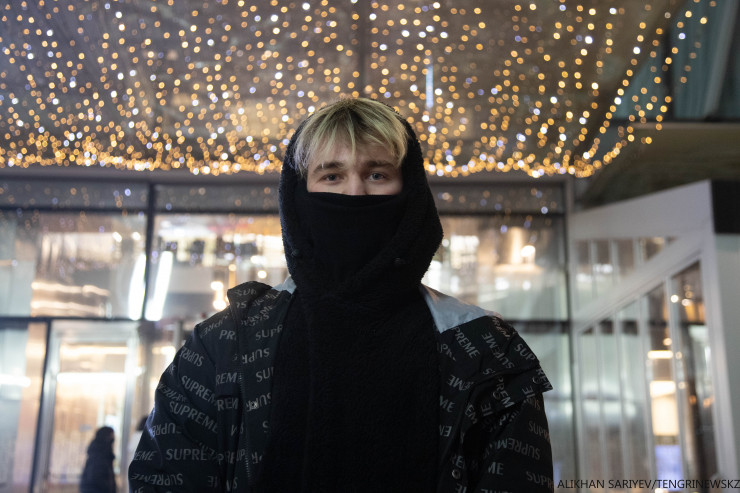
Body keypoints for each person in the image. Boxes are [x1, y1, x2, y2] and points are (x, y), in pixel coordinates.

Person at [129, 98, 553, 492]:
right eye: (331, 175)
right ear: (298, 197)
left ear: (410, 191)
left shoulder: (485, 352)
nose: (354, 193)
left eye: (377, 175)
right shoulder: (223, 345)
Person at [80, 426, 117, 493]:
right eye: (111, 435)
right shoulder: (99, 454)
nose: (113, 438)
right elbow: (95, 477)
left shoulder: (104, 453)